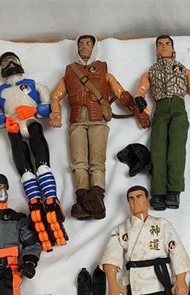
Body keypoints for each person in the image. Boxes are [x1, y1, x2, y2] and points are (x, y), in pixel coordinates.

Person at [50, 35, 149, 220]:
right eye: (81, 43)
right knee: (78, 162)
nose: (84, 46)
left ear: (94, 47)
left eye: (88, 43)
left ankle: (96, 196)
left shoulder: (103, 72)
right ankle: (82, 198)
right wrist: (56, 113)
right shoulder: (70, 72)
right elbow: (55, 96)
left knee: (97, 161)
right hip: (76, 120)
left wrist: (138, 111)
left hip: (98, 118)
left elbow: (122, 94)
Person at [0, 52, 67, 251]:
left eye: (13, 61)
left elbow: (50, 105)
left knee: (40, 156)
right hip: (13, 125)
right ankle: (35, 201)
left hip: (31, 121)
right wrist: (6, 119)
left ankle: (50, 198)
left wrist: (34, 110)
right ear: (1, 68)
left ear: (19, 63)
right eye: (5, 62)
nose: (10, 64)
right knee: (23, 164)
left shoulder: (34, 85)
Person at [135, 35, 190, 210]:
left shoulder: (183, 70)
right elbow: (141, 89)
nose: (164, 46)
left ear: (173, 48)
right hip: (160, 109)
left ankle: (174, 191)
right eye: (160, 44)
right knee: (158, 150)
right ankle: (158, 192)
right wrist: (139, 98)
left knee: (177, 151)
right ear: (156, 49)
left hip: (178, 109)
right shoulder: (151, 71)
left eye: (167, 43)